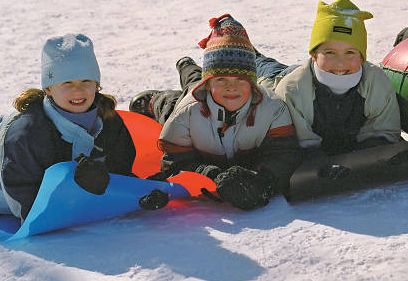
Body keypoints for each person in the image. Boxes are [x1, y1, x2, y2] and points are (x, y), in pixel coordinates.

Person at [0, 34, 137, 221]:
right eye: (67, 82)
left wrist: (141, 195)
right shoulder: (28, 134)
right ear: (48, 88)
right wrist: (78, 189)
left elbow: (121, 172)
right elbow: (27, 206)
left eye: (86, 80)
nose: (79, 90)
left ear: (97, 85)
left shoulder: (108, 119)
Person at [129, 15, 303, 211]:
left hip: (209, 97)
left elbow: (284, 154)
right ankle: (163, 91)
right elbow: (174, 163)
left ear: (253, 83)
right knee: (175, 100)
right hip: (191, 101)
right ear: (209, 83)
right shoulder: (186, 113)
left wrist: (263, 180)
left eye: (240, 80)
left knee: (194, 83)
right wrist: (210, 174)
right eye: (221, 79)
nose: (231, 87)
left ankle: (190, 67)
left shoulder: (273, 108)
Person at [255, 0, 402, 155]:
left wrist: (371, 147)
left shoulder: (375, 82)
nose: (340, 62)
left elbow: (385, 130)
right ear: (313, 55)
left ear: (362, 57)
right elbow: (296, 145)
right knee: (261, 65)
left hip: (309, 74)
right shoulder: (291, 91)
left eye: (350, 52)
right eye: (330, 53)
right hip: (279, 78)